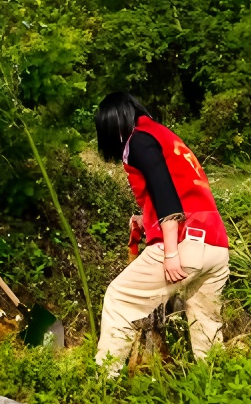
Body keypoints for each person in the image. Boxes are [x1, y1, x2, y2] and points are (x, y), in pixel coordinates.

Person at [93, 92, 230, 376]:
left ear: (112, 125)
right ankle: (217, 382)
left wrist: (171, 253)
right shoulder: (166, 137)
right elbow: (182, 191)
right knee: (206, 322)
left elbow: (165, 192)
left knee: (119, 298)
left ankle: (104, 382)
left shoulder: (138, 140)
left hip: (184, 244)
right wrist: (145, 221)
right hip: (216, 245)